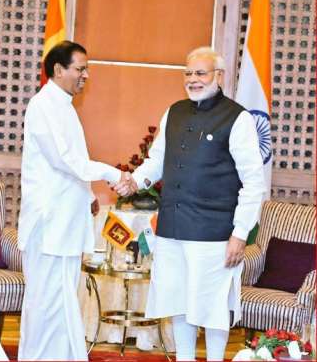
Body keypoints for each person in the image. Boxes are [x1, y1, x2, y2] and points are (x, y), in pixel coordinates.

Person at [114, 47, 266, 361]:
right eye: (188, 73)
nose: (193, 80)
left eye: (201, 73)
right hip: (171, 228)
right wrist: (135, 180)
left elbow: (254, 182)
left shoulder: (237, 118)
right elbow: (156, 162)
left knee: (211, 307)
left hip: (214, 233)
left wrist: (239, 234)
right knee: (178, 301)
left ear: (219, 76)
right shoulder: (175, 111)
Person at [18, 41, 125, 361]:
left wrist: (89, 194)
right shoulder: (43, 105)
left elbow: (73, 163)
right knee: (45, 303)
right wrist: (114, 174)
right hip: (49, 224)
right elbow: (65, 160)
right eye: (80, 69)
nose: (86, 75)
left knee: (63, 300)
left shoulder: (63, 105)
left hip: (64, 222)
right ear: (58, 70)